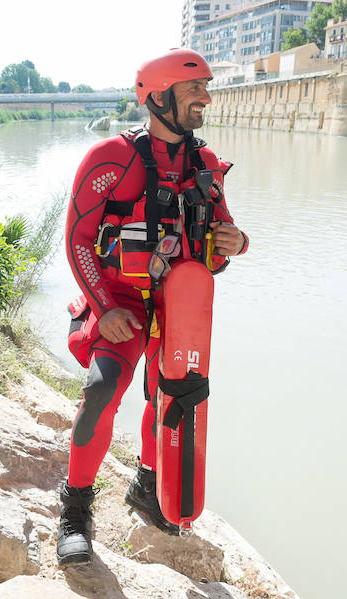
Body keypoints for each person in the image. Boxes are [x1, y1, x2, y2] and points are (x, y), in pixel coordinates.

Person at [57, 48, 249, 567]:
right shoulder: (110, 159)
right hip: (119, 300)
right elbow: (78, 240)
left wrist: (236, 243)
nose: (206, 99)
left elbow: (223, 240)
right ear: (159, 96)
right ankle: (75, 508)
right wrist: (103, 306)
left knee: (170, 399)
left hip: (177, 308)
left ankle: (148, 484)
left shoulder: (207, 165)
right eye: (196, 90)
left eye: (206, 89)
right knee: (101, 390)